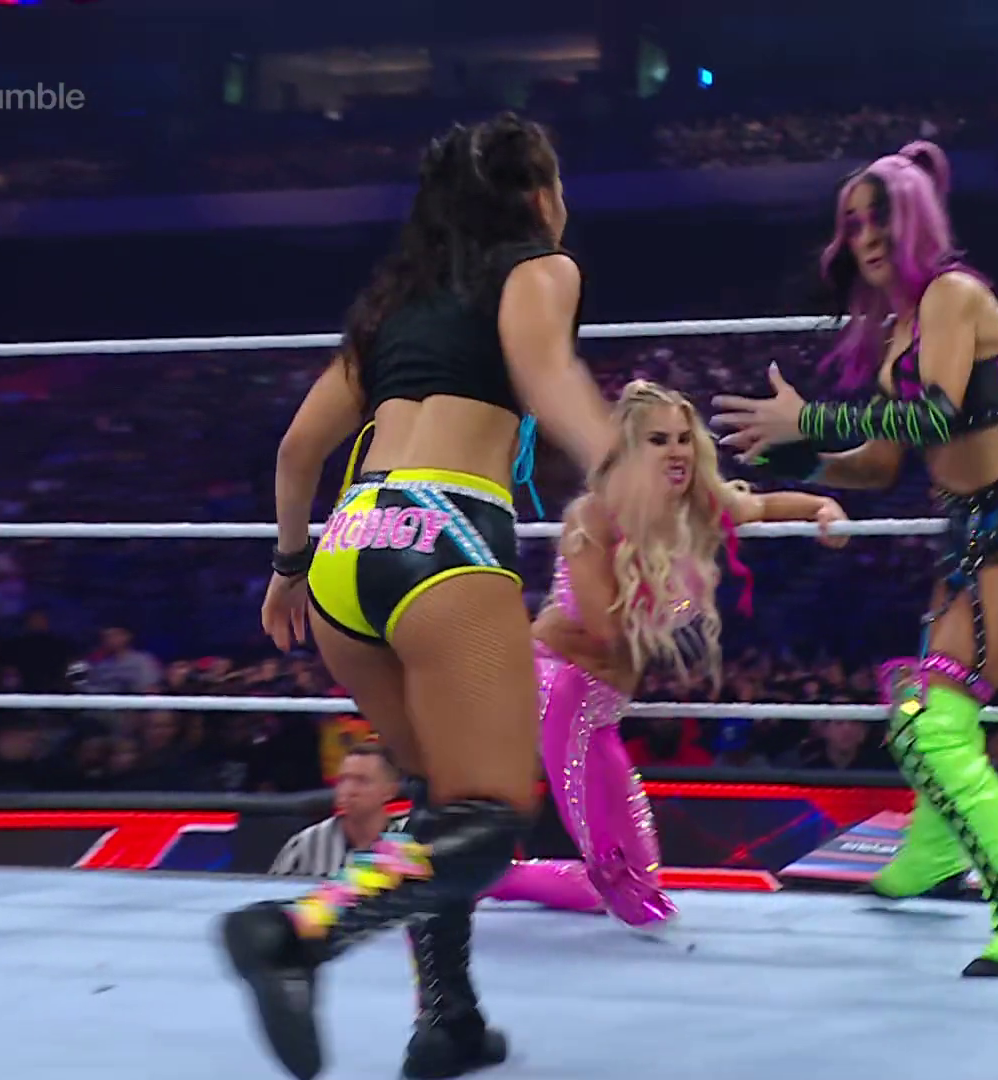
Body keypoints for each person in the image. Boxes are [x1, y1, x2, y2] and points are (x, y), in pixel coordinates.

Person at [218, 112, 641, 1080]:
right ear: (535, 195)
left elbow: (295, 452)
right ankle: (298, 932)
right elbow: (547, 375)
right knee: (489, 821)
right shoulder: (540, 268)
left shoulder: (391, 308)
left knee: (441, 804)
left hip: (347, 545)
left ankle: (447, 1020)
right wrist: (621, 470)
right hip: (443, 536)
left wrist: (288, 568)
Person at [711, 141, 998, 977]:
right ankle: (934, 856)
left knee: (933, 721)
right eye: (853, 224)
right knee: (924, 717)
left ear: (912, 222)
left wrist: (812, 420)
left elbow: (936, 415)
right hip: (965, 532)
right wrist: (793, 458)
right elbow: (876, 466)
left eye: (880, 219)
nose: (866, 237)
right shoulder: (899, 331)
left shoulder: (953, 294)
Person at [483, 379, 849, 927]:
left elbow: (764, 505)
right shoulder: (593, 516)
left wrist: (823, 506)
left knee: (640, 876)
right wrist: (670, 572)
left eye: (682, 438)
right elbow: (604, 628)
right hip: (560, 687)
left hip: (603, 708)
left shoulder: (696, 510)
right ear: (629, 451)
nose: (676, 451)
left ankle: (481, 877)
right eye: (658, 440)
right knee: (623, 880)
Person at [269, 742, 406, 878]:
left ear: (390, 791)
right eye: (343, 780)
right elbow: (275, 889)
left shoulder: (406, 844)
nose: (348, 790)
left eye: (361, 781)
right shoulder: (307, 843)